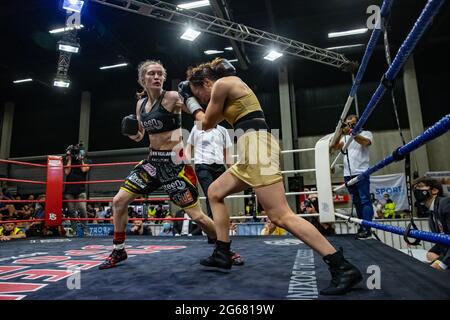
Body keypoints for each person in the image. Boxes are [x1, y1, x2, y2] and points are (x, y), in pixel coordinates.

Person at [179, 57, 362, 295]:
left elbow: (206, 124)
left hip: (256, 147)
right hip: (249, 148)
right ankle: (222, 252)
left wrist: (191, 102)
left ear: (205, 82)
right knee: (215, 192)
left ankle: (341, 265)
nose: (203, 99)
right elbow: (211, 118)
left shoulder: (224, 83)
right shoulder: (231, 92)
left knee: (280, 215)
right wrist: (190, 102)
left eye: (199, 93)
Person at [99, 60, 241, 270]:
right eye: (151, 74)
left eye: (160, 74)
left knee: (198, 216)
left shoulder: (173, 98)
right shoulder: (140, 105)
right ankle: (119, 250)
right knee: (119, 201)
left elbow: (202, 115)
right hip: (152, 164)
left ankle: (225, 249)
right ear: (142, 79)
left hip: (175, 166)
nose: (156, 77)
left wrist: (195, 100)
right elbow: (140, 136)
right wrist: (130, 132)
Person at [185, 118, 232, 242]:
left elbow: (227, 153)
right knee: (211, 196)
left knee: (219, 198)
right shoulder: (197, 128)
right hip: (203, 166)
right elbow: (189, 147)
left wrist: (233, 170)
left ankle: (219, 233)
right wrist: (186, 164)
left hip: (220, 167)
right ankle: (214, 234)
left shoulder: (223, 130)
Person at [331, 114, 374, 239]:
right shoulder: (345, 138)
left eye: (352, 123)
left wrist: (351, 131)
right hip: (348, 174)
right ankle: (362, 226)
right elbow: (333, 147)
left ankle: (367, 228)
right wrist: (340, 130)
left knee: (365, 200)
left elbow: (365, 143)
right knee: (356, 201)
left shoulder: (366, 133)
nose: (349, 125)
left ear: (358, 123)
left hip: (361, 172)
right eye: (347, 123)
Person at [413, 177, 450, 271]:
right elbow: (442, 243)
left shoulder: (445, 204)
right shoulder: (432, 213)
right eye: (415, 188)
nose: (416, 191)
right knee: (430, 254)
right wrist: (437, 260)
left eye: (420, 187)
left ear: (434, 190)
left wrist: (442, 264)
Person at [64, 142, 91, 236]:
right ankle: (74, 230)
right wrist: (70, 159)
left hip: (81, 190)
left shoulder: (87, 161)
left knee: (82, 209)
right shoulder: (68, 160)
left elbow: (84, 169)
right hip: (69, 190)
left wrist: (81, 159)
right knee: (71, 211)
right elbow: (67, 171)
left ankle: (86, 230)